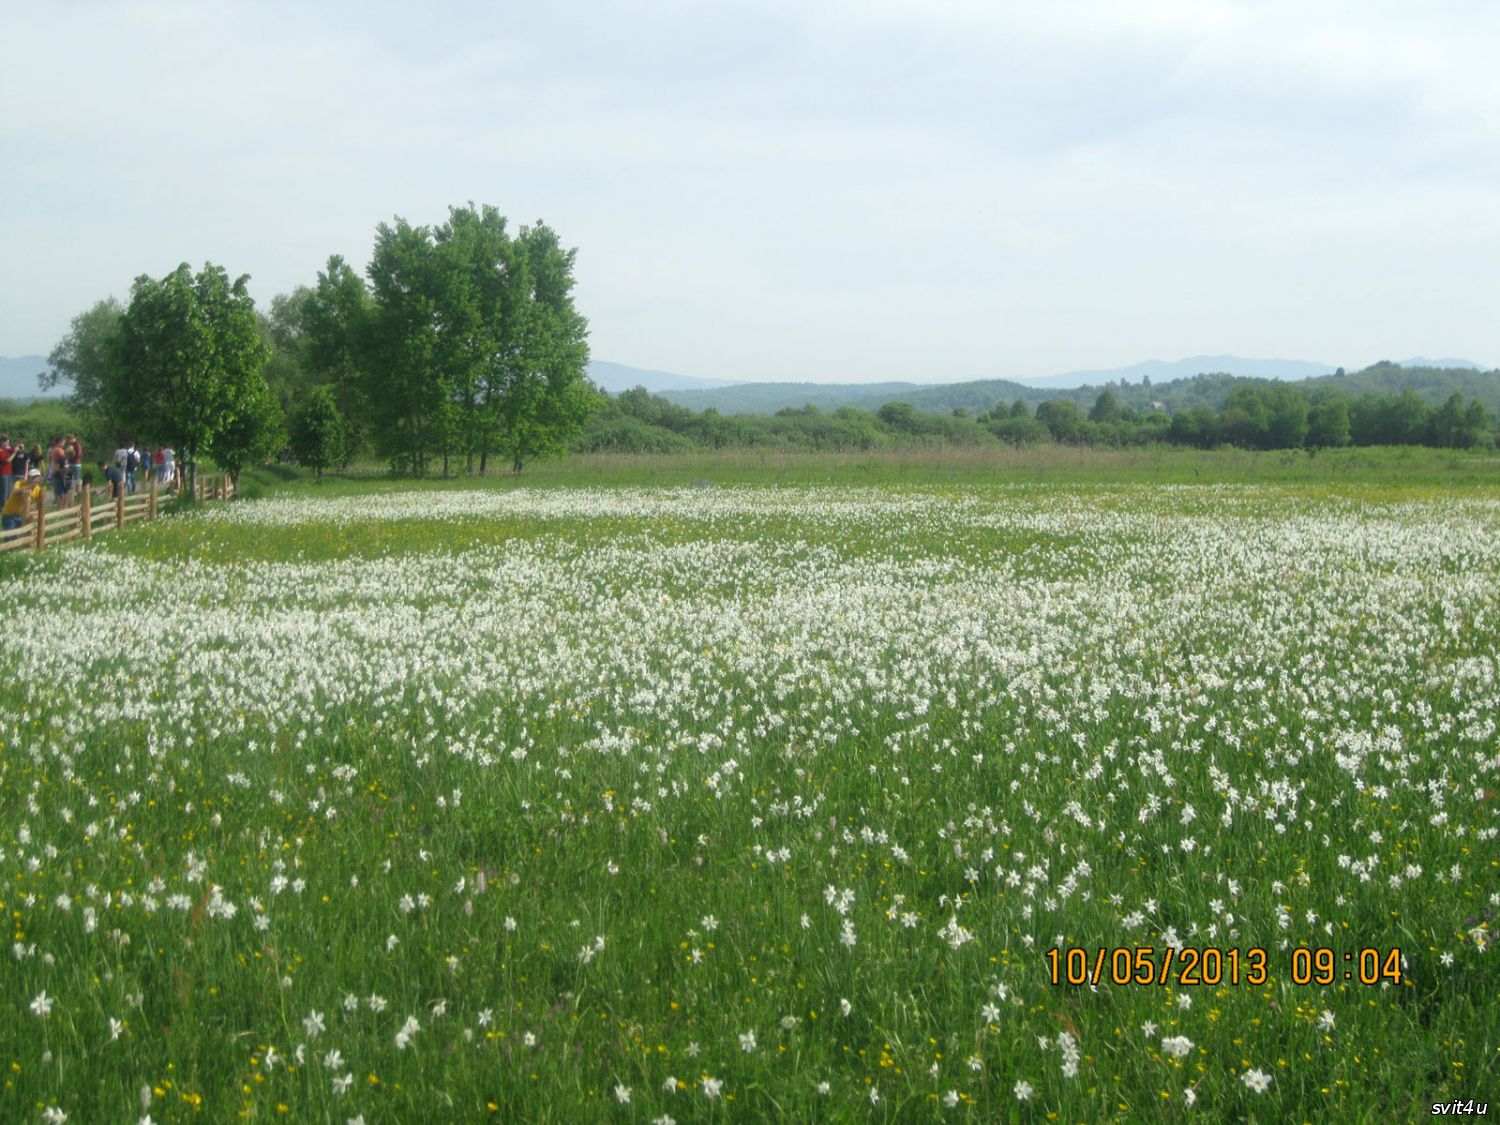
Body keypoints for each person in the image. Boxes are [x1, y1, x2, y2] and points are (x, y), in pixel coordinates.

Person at [2, 467, 43, 538]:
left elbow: (40, 508)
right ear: (28, 478)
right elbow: (15, 491)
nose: (35, 480)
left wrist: (31, 513)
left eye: (37, 477)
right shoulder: (19, 483)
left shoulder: (38, 490)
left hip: (23, 516)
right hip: (10, 515)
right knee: (11, 537)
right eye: (33, 477)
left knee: (25, 536)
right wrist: (30, 486)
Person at [0, 434, 13, 507]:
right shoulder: (1, 450)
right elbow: (7, 461)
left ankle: (7, 507)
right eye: (6, 442)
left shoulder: (7, 449)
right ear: (2, 442)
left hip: (9, 473)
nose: (7, 444)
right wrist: (14, 453)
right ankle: (2, 507)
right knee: (4, 492)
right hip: (3, 473)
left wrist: (17, 447)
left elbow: (14, 449)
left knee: (8, 492)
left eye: (8, 442)